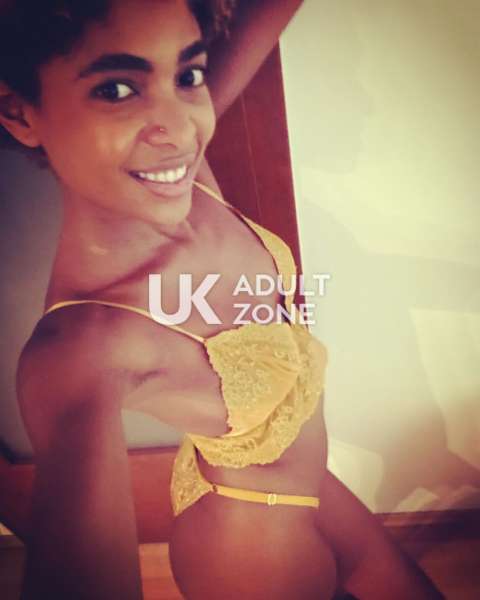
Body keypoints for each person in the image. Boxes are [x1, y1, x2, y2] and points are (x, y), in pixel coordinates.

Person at [0, 1, 445, 598]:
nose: (182, 127)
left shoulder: (186, 175)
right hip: (248, 549)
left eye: (188, 75)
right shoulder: (82, 347)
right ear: (19, 111)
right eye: (116, 89)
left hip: (313, 487)